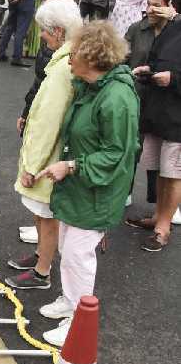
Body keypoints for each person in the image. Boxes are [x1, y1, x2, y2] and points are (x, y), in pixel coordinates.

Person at [34, 21, 138, 346]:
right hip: (81, 186)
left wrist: (72, 165)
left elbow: (117, 154)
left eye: (75, 54)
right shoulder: (93, 87)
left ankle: (79, 322)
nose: (68, 59)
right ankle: (69, 301)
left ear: (92, 57)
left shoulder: (116, 98)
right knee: (67, 247)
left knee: (79, 255)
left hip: (97, 191)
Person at [6, 0, 83, 291]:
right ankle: (41, 255)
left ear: (60, 31)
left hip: (48, 156)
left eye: (46, 32)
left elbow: (50, 120)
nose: (43, 37)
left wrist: (32, 166)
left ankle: (42, 272)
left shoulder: (64, 68)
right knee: (40, 210)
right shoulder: (65, 59)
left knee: (46, 212)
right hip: (49, 153)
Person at [128, 0, 181, 251]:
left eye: (156, 5)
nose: (150, 9)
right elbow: (157, 60)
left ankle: (163, 228)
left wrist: (173, 79)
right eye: (148, 4)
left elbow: (174, 72)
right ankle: (158, 217)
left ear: (172, 5)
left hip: (176, 120)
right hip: (156, 112)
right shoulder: (167, 29)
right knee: (158, 169)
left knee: (173, 174)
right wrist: (148, 70)